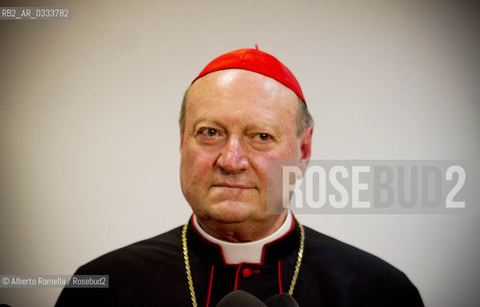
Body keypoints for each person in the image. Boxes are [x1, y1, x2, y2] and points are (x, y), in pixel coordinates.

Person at [56, 47, 424, 306]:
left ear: (304, 151)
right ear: (183, 141)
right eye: (210, 133)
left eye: (261, 137)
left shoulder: (378, 291)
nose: (231, 161)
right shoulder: (102, 286)